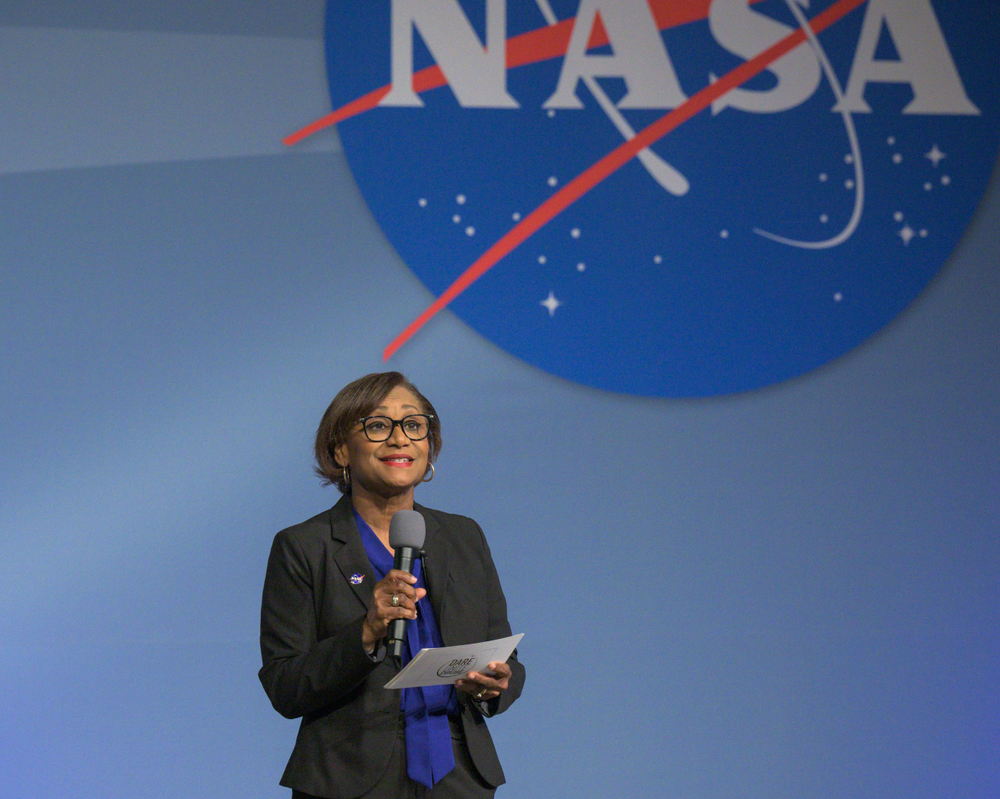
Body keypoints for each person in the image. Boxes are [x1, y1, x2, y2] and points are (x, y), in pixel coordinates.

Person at [259, 372, 525, 799]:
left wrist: (494, 684)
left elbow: (507, 657)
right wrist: (365, 633)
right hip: (350, 778)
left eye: (414, 425)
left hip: (460, 779)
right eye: (378, 425)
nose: (400, 439)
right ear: (341, 449)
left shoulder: (464, 536)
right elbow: (285, 685)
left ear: (429, 445)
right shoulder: (304, 546)